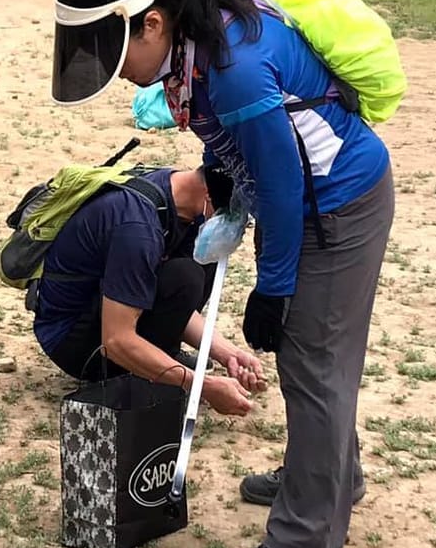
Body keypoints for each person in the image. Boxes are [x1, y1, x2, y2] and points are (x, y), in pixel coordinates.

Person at [50, 0, 393, 548]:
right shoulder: (196, 43)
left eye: (119, 52)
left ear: (153, 22)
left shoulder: (230, 63)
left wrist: (277, 285)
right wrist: (221, 177)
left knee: (313, 363)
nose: (117, 70)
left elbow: (287, 177)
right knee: (312, 358)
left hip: (335, 207)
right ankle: (327, 476)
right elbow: (232, 139)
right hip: (304, 204)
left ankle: (305, 545)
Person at [32, 163, 264, 415]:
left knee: (200, 262)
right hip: (73, 343)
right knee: (186, 275)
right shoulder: (137, 230)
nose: (237, 223)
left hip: (103, 310)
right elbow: (116, 340)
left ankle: (158, 357)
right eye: (234, 213)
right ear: (209, 194)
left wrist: (226, 353)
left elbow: (174, 303)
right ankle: (139, 368)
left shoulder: (178, 195)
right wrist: (201, 386)